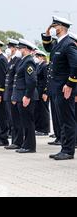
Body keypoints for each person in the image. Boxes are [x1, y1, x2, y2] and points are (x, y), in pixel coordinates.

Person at [42, 16, 77, 160]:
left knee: (67, 120)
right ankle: (64, 148)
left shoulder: (69, 44)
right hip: (55, 88)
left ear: (61, 27)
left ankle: (68, 151)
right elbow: (48, 48)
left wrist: (69, 85)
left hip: (64, 89)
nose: (53, 28)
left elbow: (75, 66)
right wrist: (46, 34)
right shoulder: (58, 43)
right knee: (61, 120)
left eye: (55, 26)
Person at [11, 39, 39, 153]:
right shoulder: (23, 61)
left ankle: (30, 146)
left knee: (28, 122)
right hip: (21, 95)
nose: (19, 50)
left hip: (27, 96)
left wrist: (27, 96)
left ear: (26, 49)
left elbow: (32, 81)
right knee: (24, 121)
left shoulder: (29, 61)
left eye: (20, 48)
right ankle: (25, 144)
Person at [3, 39, 24, 150]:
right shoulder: (11, 60)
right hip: (9, 92)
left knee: (16, 120)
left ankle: (18, 141)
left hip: (13, 93)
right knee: (12, 120)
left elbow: (16, 79)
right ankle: (15, 141)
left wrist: (14, 95)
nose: (8, 49)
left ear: (15, 48)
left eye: (10, 47)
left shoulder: (18, 60)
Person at [34, 50, 50, 136]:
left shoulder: (44, 66)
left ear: (41, 57)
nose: (36, 58)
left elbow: (46, 80)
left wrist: (45, 92)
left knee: (44, 110)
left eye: (37, 56)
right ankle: (39, 128)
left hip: (43, 91)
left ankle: (44, 129)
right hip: (38, 91)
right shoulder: (38, 65)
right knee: (38, 110)